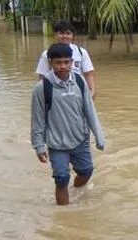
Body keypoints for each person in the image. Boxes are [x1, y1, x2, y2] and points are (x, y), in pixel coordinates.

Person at [30, 43, 106, 206]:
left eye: (66, 62)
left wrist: (99, 136)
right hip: (56, 143)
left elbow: (89, 110)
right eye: (58, 62)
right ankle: (64, 214)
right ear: (50, 63)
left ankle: (76, 191)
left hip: (80, 139)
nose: (63, 66)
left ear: (72, 62)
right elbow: (37, 119)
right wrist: (39, 146)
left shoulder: (79, 81)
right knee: (61, 178)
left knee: (86, 172)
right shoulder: (42, 88)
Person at [36, 20, 96, 98]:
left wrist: (92, 93)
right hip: (55, 93)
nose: (65, 36)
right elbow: (42, 77)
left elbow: (89, 75)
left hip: (77, 92)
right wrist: (41, 97)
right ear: (55, 35)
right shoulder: (46, 54)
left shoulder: (81, 52)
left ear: (72, 36)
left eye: (68, 33)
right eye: (61, 33)